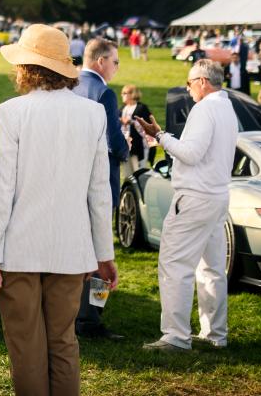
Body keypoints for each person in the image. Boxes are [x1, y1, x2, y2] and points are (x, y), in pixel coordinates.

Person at [0, 23, 117, 396]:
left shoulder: (13, 111)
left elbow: (2, 188)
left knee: (26, 347)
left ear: (26, 68)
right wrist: (105, 253)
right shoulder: (92, 113)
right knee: (64, 343)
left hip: (19, 248)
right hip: (72, 250)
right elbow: (99, 193)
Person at [136, 60, 238, 351]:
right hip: (217, 196)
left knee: (174, 264)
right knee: (212, 268)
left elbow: (191, 154)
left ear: (203, 81)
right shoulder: (227, 107)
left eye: (190, 82)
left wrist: (160, 136)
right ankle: (215, 334)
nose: (188, 87)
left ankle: (176, 336)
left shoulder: (205, 108)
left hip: (194, 197)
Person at [72, 37, 128, 340]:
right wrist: (126, 148)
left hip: (71, 180)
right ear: (101, 61)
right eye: (116, 61)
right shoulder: (103, 92)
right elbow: (112, 140)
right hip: (99, 181)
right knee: (100, 252)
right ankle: (91, 318)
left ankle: (73, 312)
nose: (117, 68)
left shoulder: (69, 86)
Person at [120, 84, 154, 173]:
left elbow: (149, 126)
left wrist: (131, 122)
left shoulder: (141, 108)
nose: (122, 95)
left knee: (139, 172)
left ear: (132, 94)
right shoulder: (123, 109)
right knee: (128, 173)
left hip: (140, 145)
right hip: (126, 145)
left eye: (124, 93)